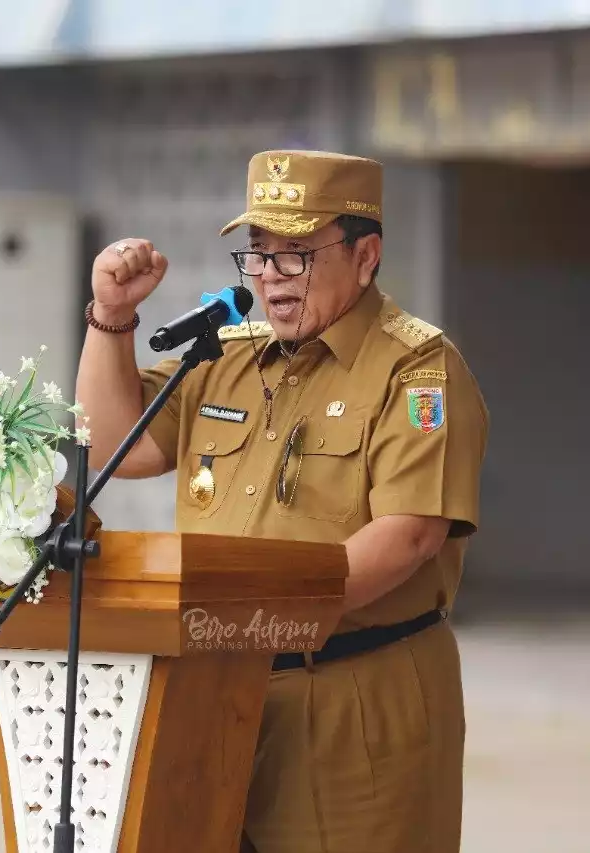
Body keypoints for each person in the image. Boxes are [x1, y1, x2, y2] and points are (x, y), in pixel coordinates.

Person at [75, 150, 489, 853]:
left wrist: (254, 620)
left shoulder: (418, 369)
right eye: (259, 254)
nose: (270, 276)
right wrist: (111, 317)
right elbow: (117, 441)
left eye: (296, 255)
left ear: (366, 256)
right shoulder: (225, 352)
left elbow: (411, 533)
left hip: (352, 698)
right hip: (214, 692)